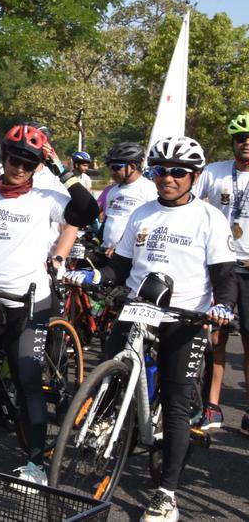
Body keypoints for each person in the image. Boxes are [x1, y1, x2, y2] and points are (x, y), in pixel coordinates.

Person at [65, 135, 235, 522]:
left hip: (184, 318)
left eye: (178, 172)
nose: (167, 178)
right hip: (138, 309)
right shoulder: (142, 213)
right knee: (110, 367)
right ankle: (107, 421)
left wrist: (222, 307)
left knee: (176, 404)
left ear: (195, 176)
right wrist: (92, 276)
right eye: (159, 170)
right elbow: (119, 268)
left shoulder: (208, 218)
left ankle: (166, 494)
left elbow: (224, 277)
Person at [0, 125, 98, 487]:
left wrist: (60, 168)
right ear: (3, 158)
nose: (19, 168)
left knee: (27, 376)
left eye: (29, 163)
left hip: (29, 302)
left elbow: (87, 211)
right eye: (14, 160)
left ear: (37, 167)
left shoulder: (46, 198)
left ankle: (36, 464)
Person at [193, 112, 249, 433]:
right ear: (233, 141)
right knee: (216, 338)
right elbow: (188, 201)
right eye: (241, 137)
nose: (246, 143)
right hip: (220, 266)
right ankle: (212, 407)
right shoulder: (214, 172)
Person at [100, 141, 156, 253]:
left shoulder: (149, 190)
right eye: (109, 167)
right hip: (106, 251)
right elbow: (108, 220)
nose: (111, 172)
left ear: (132, 167)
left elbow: (151, 226)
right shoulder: (112, 191)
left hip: (129, 255)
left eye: (116, 167)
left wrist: (121, 246)